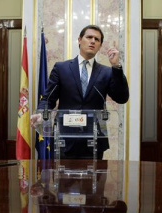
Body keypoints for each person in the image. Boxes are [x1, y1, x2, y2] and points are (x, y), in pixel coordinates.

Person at [30, 25, 129, 159]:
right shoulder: (61, 68)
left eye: (97, 39)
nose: (93, 41)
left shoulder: (107, 72)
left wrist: (116, 67)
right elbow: (48, 98)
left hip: (94, 141)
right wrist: (41, 113)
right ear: (79, 40)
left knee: (95, 179)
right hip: (64, 140)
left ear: (100, 46)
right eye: (89, 37)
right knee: (63, 180)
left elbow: (121, 97)